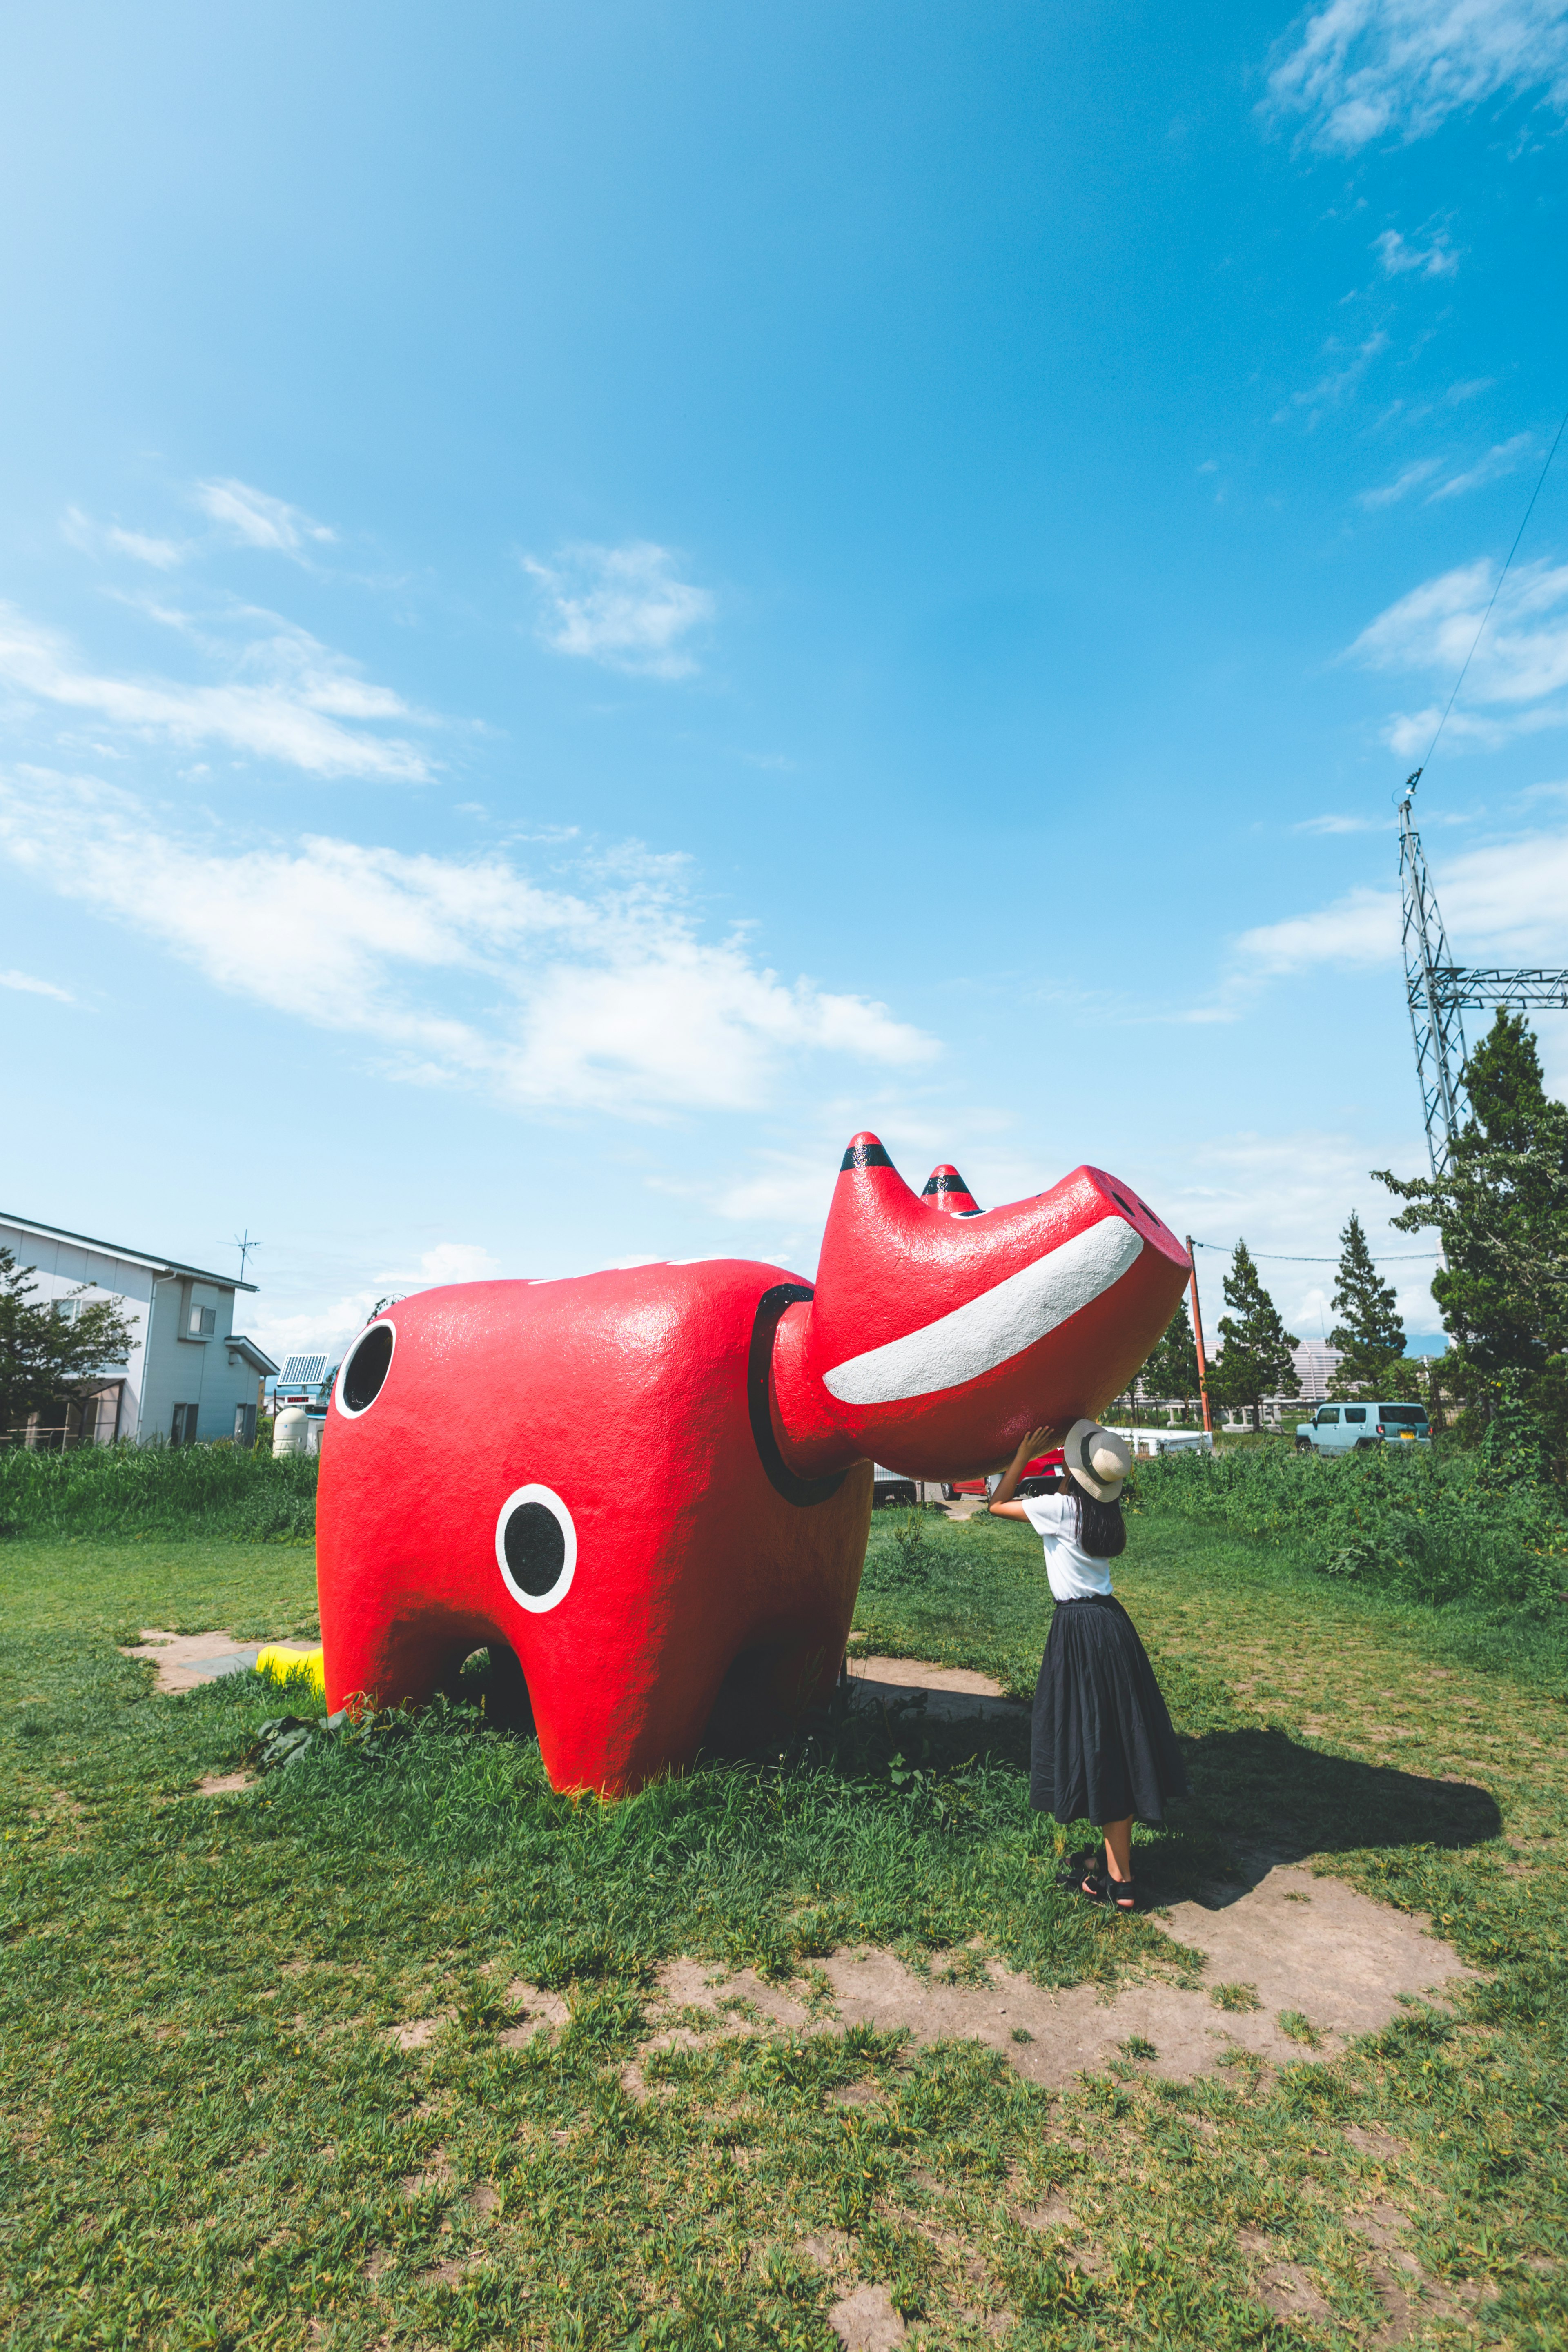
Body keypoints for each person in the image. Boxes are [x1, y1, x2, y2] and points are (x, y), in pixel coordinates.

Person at [988, 1418, 1187, 1910]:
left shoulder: (1059, 1509)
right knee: (1117, 1741)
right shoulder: (1104, 1511)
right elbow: (1073, 1495)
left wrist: (1021, 1456)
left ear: (1074, 1473)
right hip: (1112, 1627)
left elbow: (995, 1503)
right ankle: (1109, 1868)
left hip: (1077, 1631)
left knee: (1097, 1744)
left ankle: (1120, 1879)